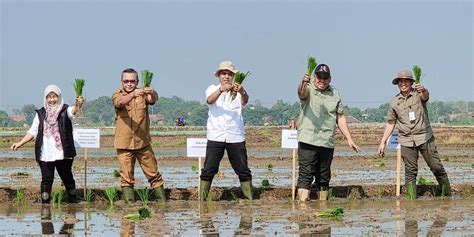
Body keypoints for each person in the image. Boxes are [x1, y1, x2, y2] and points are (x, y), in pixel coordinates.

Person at [378, 69, 451, 197]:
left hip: (424, 137)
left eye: (406, 80)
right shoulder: (394, 102)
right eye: (400, 81)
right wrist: (383, 142)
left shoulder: (418, 94)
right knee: (410, 172)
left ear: (411, 82)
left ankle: (447, 195)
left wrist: (423, 89)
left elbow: (426, 96)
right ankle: (411, 202)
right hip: (406, 140)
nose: (403, 83)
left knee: (436, 167)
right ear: (398, 83)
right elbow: (390, 123)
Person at [296, 64, 360, 201]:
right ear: (314, 78)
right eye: (319, 77)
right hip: (308, 140)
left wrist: (349, 139)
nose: (322, 80)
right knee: (305, 175)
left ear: (330, 79)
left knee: (323, 177)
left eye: (325, 78)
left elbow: (340, 117)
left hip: (327, 141)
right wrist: (303, 82)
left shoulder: (335, 93)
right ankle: (302, 210)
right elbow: (301, 94)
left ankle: (322, 206)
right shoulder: (308, 89)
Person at [11, 85, 83, 204]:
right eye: (49, 97)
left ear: (59, 97)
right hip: (45, 153)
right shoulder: (41, 113)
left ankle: (73, 201)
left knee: (67, 177)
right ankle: (45, 205)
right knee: (46, 180)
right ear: (45, 98)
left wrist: (78, 104)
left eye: (54, 96)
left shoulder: (65, 110)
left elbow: (74, 111)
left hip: (62, 152)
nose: (52, 100)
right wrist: (20, 143)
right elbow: (32, 131)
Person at [199, 60, 253, 201]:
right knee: (209, 169)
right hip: (216, 135)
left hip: (235, 136)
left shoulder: (239, 91)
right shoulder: (212, 88)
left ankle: (249, 199)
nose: (227, 76)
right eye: (224, 73)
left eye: (229, 74)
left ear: (233, 76)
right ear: (219, 76)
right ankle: (202, 200)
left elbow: (245, 101)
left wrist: (242, 91)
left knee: (243, 169)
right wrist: (221, 90)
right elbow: (209, 100)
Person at [112, 68, 166, 203]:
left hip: (143, 143)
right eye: (126, 81)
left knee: (154, 174)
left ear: (137, 81)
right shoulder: (117, 95)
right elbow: (119, 103)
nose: (129, 84)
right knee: (126, 177)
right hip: (124, 144)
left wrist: (152, 91)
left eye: (132, 81)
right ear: (121, 82)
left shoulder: (143, 94)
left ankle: (162, 204)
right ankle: (129, 205)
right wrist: (133, 94)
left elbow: (153, 100)